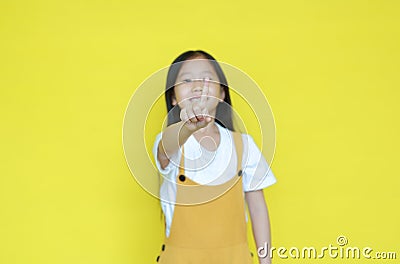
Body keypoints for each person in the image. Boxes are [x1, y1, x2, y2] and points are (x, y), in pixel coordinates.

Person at [152, 50, 276, 264]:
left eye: (207, 78)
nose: (198, 86)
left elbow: (258, 209)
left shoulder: (244, 145)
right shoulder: (172, 142)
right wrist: (187, 127)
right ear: (173, 97)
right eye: (187, 80)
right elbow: (165, 150)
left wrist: (266, 262)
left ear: (221, 94)